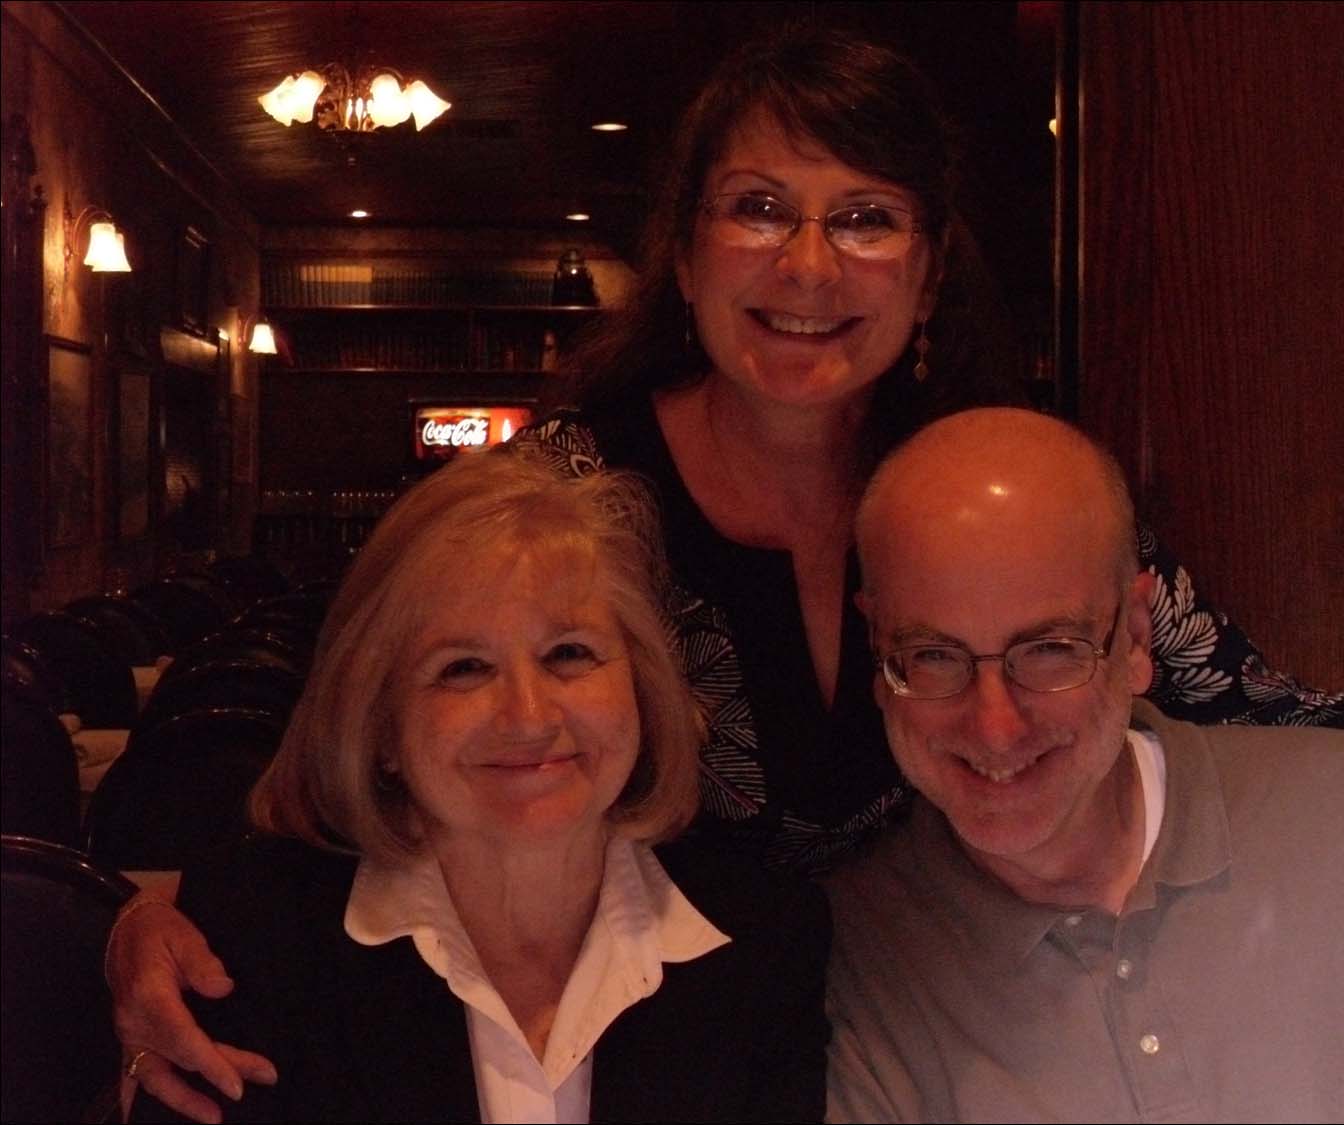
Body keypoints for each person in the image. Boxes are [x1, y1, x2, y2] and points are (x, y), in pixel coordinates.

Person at [108, 26, 1344, 1120]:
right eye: (762, 207)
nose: (813, 264)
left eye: (869, 215)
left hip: (955, 1015)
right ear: (690, 250)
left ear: (931, 268)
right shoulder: (573, 496)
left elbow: (1261, 708)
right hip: (665, 1052)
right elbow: (352, 720)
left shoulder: (984, 498)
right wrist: (148, 918)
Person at [826, 407, 1344, 1123]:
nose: (995, 724)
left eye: (1051, 648)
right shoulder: (862, 954)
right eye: (934, 656)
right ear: (877, 648)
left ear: (1139, 636)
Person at [126, 449, 831, 1123]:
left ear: (643, 690)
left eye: (569, 653)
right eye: (463, 667)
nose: (528, 716)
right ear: (381, 726)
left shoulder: (765, 944)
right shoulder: (250, 943)